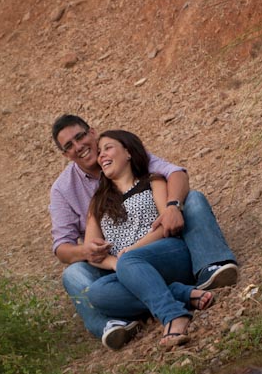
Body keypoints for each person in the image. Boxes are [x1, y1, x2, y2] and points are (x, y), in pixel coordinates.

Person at [50, 114, 238, 349]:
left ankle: (206, 274)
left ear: (92, 133)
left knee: (193, 199)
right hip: (123, 267)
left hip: (161, 251)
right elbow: (62, 248)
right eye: (69, 145)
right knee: (87, 286)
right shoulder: (80, 196)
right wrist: (94, 254)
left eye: (80, 137)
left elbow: (176, 174)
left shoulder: (146, 175)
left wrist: (172, 207)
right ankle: (130, 316)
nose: (79, 147)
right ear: (65, 154)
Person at [85, 130, 214, 348]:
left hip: (167, 253)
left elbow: (167, 224)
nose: (101, 156)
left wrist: (131, 252)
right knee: (97, 293)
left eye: (108, 148)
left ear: (127, 152)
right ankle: (180, 293)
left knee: (130, 262)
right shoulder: (97, 202)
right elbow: (93, 254)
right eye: (99, 153)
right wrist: (118, 264)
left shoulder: (153, 181)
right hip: (129, 269)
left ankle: (173, 315)